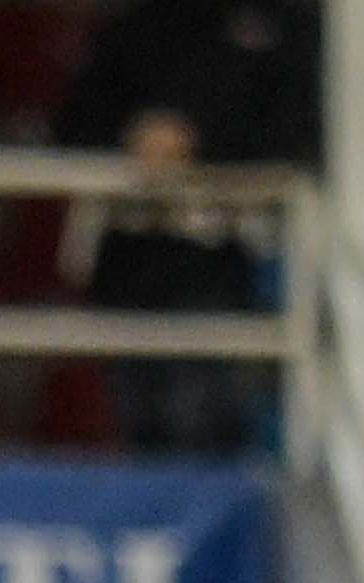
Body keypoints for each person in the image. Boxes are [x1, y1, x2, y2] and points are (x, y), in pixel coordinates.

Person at [56, 0, 314, 456]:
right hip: (133, 267)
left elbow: (297, 130)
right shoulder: (133, 28)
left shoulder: (277, 24)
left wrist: (200, 143)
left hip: (221, 265)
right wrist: (134, 138)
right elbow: (75, 124)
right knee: (142, 423)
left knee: (204, 420)